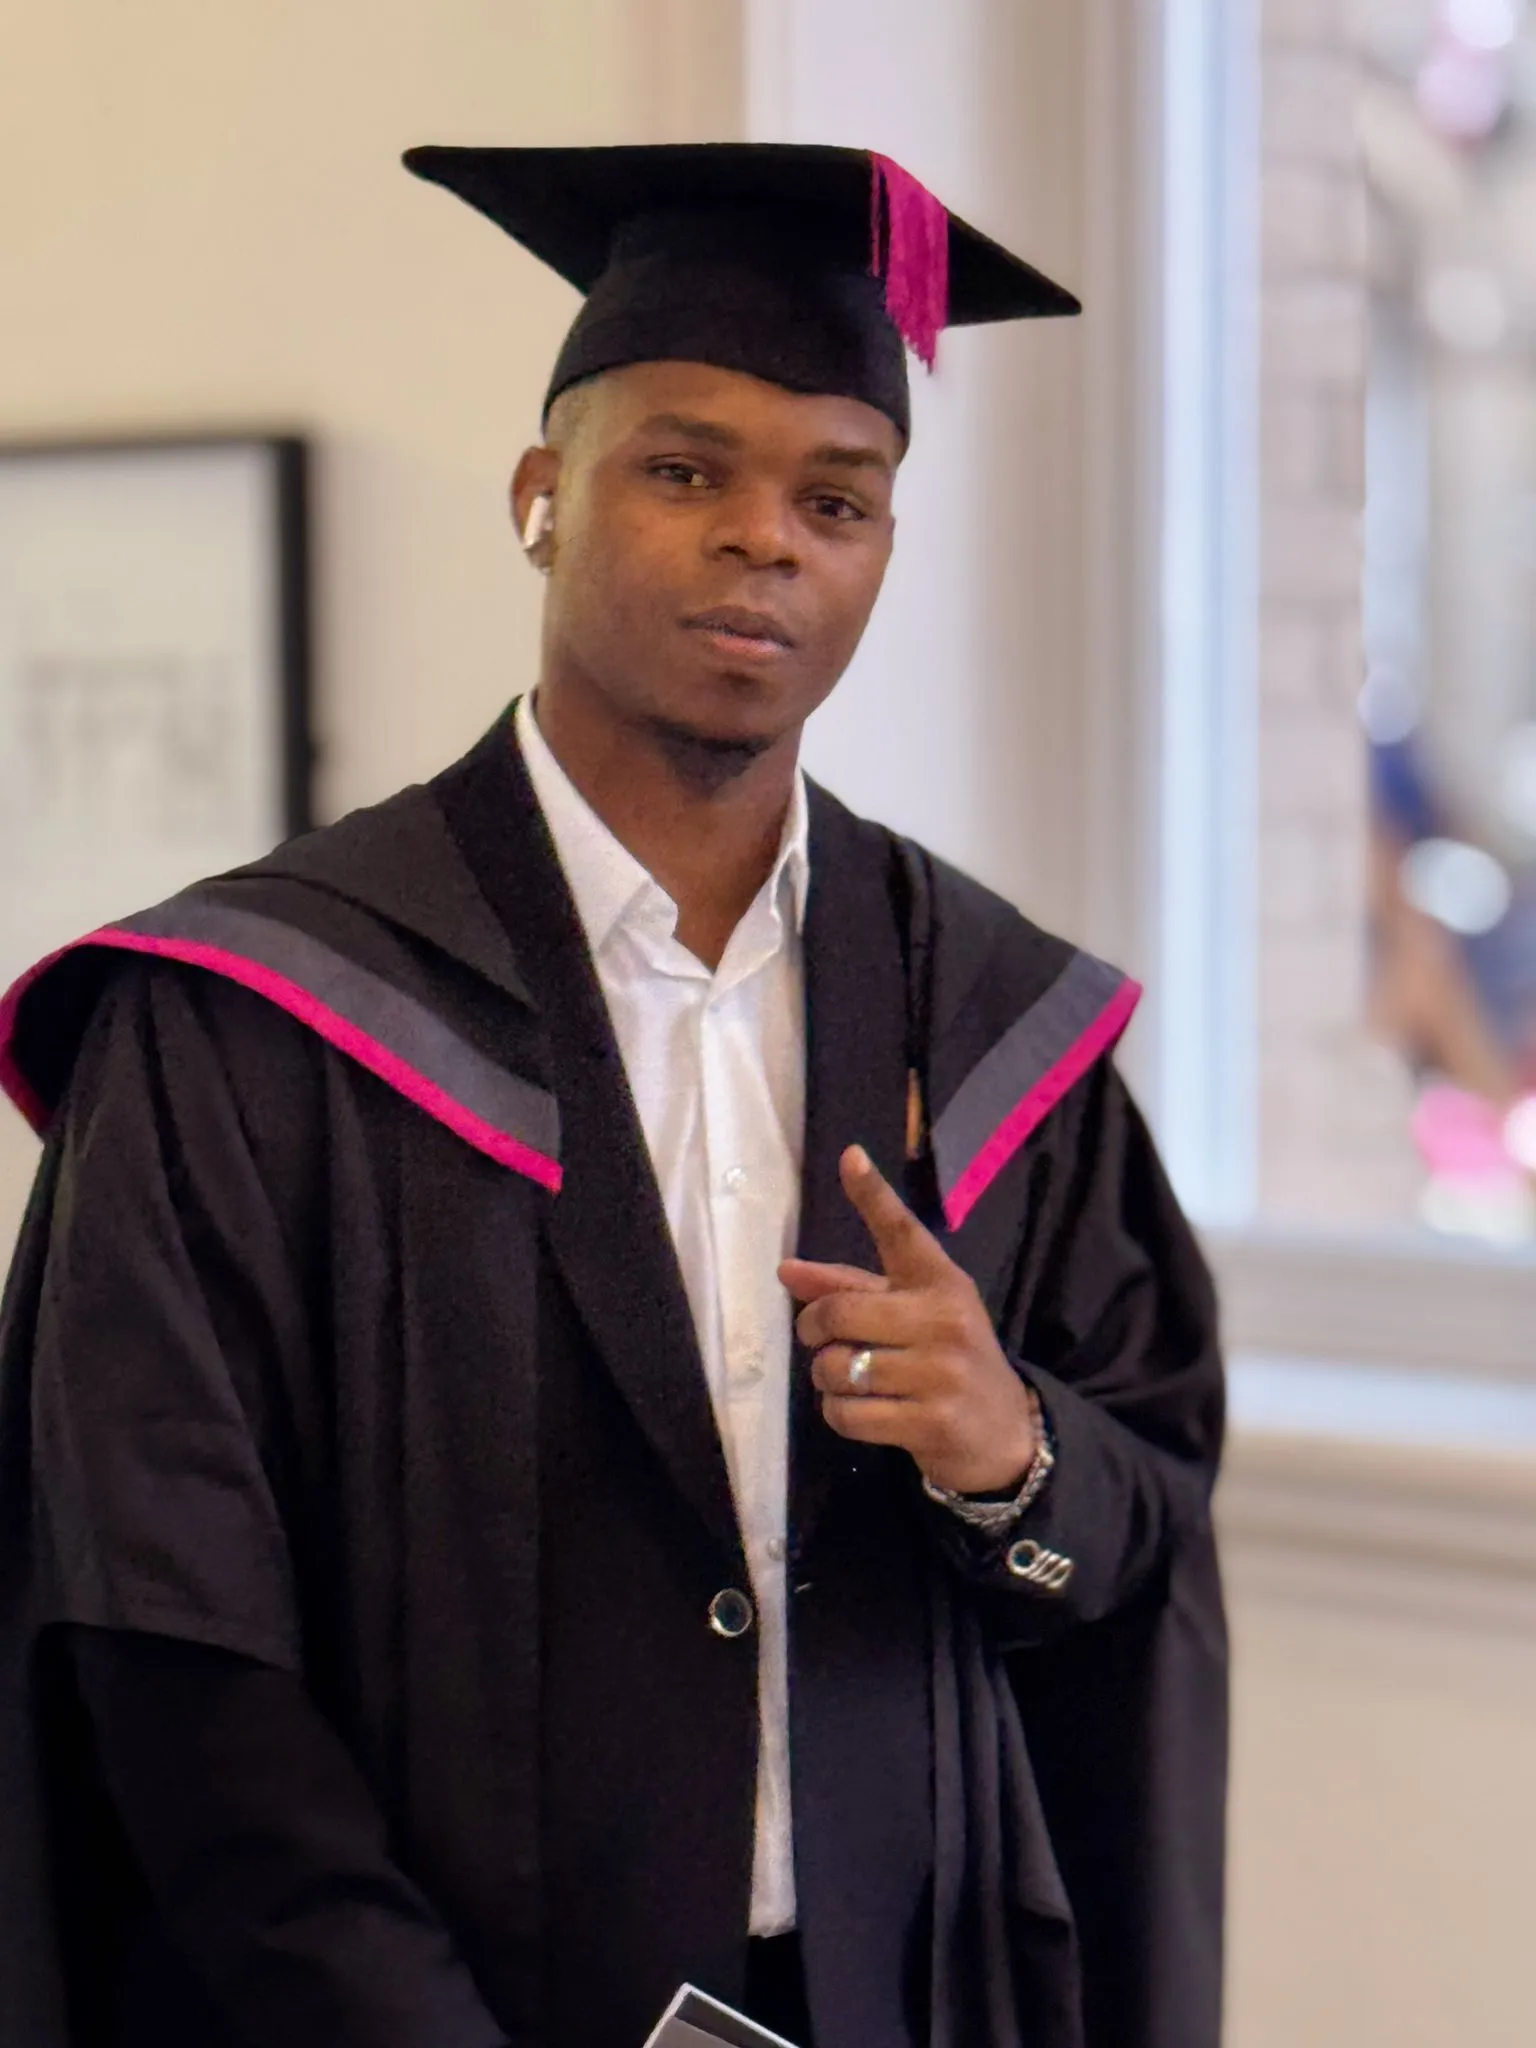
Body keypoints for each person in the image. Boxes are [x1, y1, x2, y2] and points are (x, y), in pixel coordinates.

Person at [0, 144, 1226, 2048]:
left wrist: (1015, 1459)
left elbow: (1136, 1545)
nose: (767, 541)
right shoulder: (247, 1025)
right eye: (684, 470)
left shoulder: (996, 1026)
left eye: (838, 497)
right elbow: (166, 1634)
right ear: (542, 498)